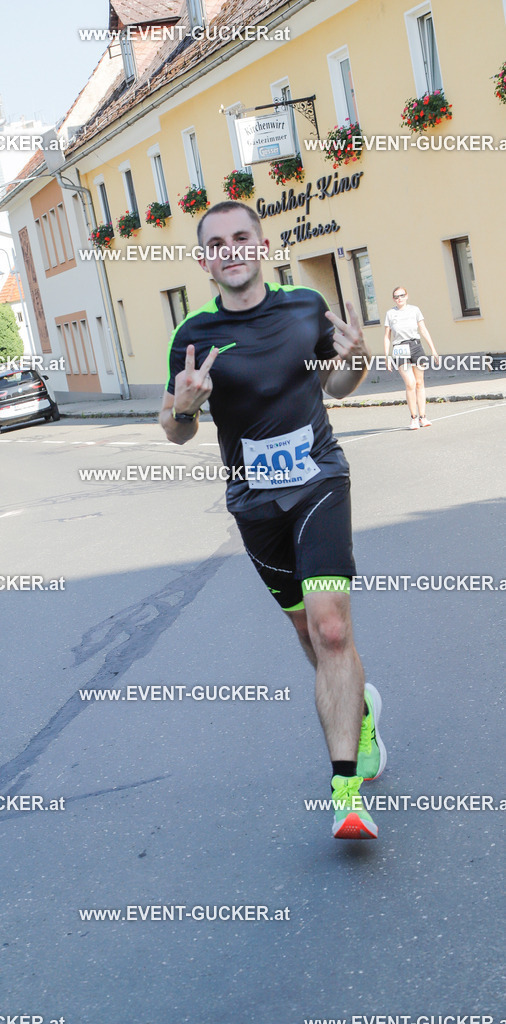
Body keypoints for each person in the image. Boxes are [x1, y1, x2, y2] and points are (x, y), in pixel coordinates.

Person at [159, 200, 386, 840]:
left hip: (318, 480)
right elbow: (175, 432)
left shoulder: (304, 309)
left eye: (242, 238)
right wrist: (185, 406)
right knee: (309, 640)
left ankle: (347, 791)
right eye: (217, 243)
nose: (231, 250)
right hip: (254, 504)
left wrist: (355, 357)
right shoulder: (191, 336)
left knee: (332, 628)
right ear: (205, 260)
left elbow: (339, 388)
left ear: (261, 246)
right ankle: (360, 711)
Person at [384, 287, 439, 429]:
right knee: (410, 383)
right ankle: (413, 418)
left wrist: (433, 350)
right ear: (393, 299)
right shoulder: (390, 314)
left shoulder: (415, 310)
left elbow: (423, 330)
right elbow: (387, 337)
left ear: (407, 296)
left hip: (415, 346)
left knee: (420, 383)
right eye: (396, 297)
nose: (399, 298)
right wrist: (386, 357)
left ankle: (423, 417)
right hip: (400, 349)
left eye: (402, 295)